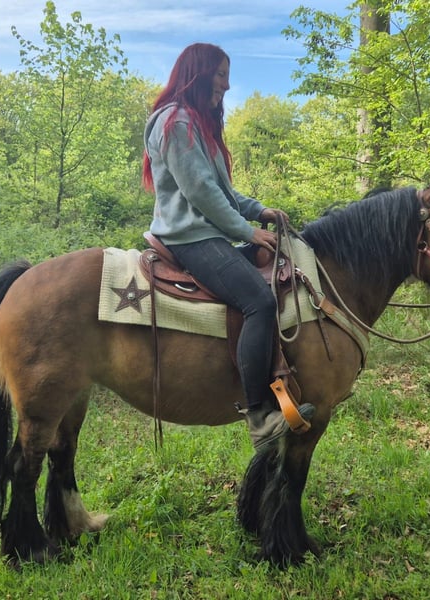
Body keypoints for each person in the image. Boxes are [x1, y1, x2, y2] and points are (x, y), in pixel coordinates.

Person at [142, 43, 313, 451]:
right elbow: (200, 192)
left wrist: (259, 211)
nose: (227, 85)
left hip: (206, 235)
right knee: (259, 301)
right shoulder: (176, 122)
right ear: (198, 74)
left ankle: (277, 388)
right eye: (221, 75)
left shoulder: (195, 125)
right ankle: (260, 417)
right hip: (190, 238)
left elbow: (222, 190)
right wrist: (247, 231)